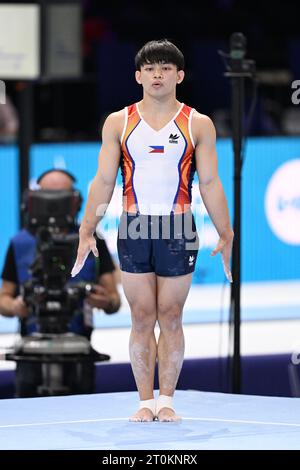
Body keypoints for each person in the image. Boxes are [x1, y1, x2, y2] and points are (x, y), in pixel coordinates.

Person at [71, 39, 234, 422]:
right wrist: (87, 227)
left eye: (165, 68)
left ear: (179, 75)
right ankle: (145, 401)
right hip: (135, 225)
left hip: (179, 225)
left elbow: (210, 183)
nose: (157, 74)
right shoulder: (119, 122)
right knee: (142, 316)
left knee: (171, 314)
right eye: (149, 68)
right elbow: (104, 180)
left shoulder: (198, 123)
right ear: (138, 76)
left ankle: (168, 400)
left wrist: (225, 231)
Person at [0, 169, 121, 397]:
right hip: (31, 352)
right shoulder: (19, 243)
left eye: (61, 196)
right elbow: (3, 298)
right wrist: (15, 306)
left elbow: (114, 301)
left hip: (79, 351)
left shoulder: (94, 242)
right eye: (48, 195)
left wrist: (105, 301)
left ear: (75, 201)